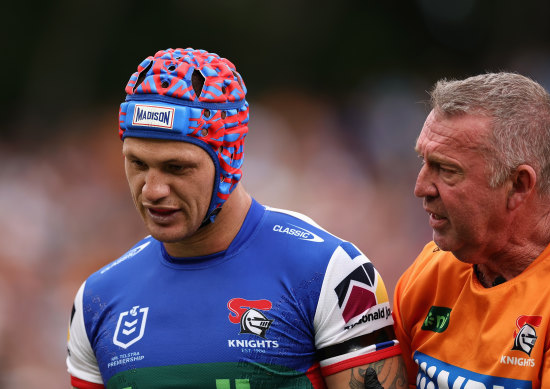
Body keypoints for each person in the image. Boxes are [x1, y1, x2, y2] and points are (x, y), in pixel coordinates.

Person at [66, 47, 408, 389]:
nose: (152, 189)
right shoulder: (96, 299)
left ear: (227, 161)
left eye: (177, 167)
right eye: (138, 164)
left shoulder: (330, 273)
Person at [391, 72, 550, 388]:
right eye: (424, 162)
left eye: (447, 170)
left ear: (518, 185)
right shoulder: (431, 269)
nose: (421, 187)